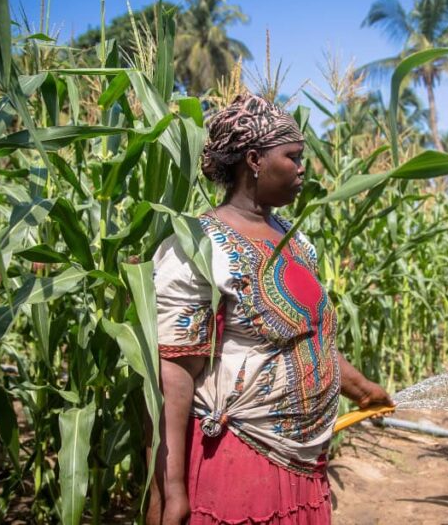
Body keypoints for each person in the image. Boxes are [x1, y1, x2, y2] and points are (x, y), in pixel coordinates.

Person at [147, 94, 392, 525]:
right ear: (255, 160)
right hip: (240, 461)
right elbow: (175, 374)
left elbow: (311, 341)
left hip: (304, 464)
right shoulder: (197, 247)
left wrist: (364, 389)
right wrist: (171, 491)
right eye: (293, 157)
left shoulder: (296, 241)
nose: (303, 169)